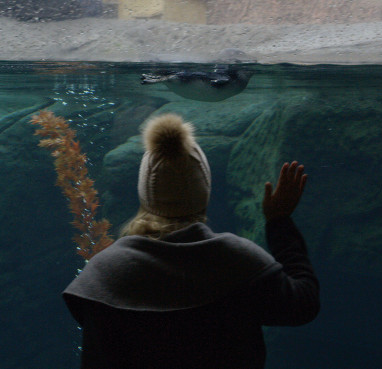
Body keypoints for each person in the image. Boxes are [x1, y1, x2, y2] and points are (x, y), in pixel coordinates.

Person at [63, 114, 320, 368]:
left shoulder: (105, 273)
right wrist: (279, 222)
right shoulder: (237, 261)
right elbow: (303, 305)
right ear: (204, 190)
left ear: (146, 193)